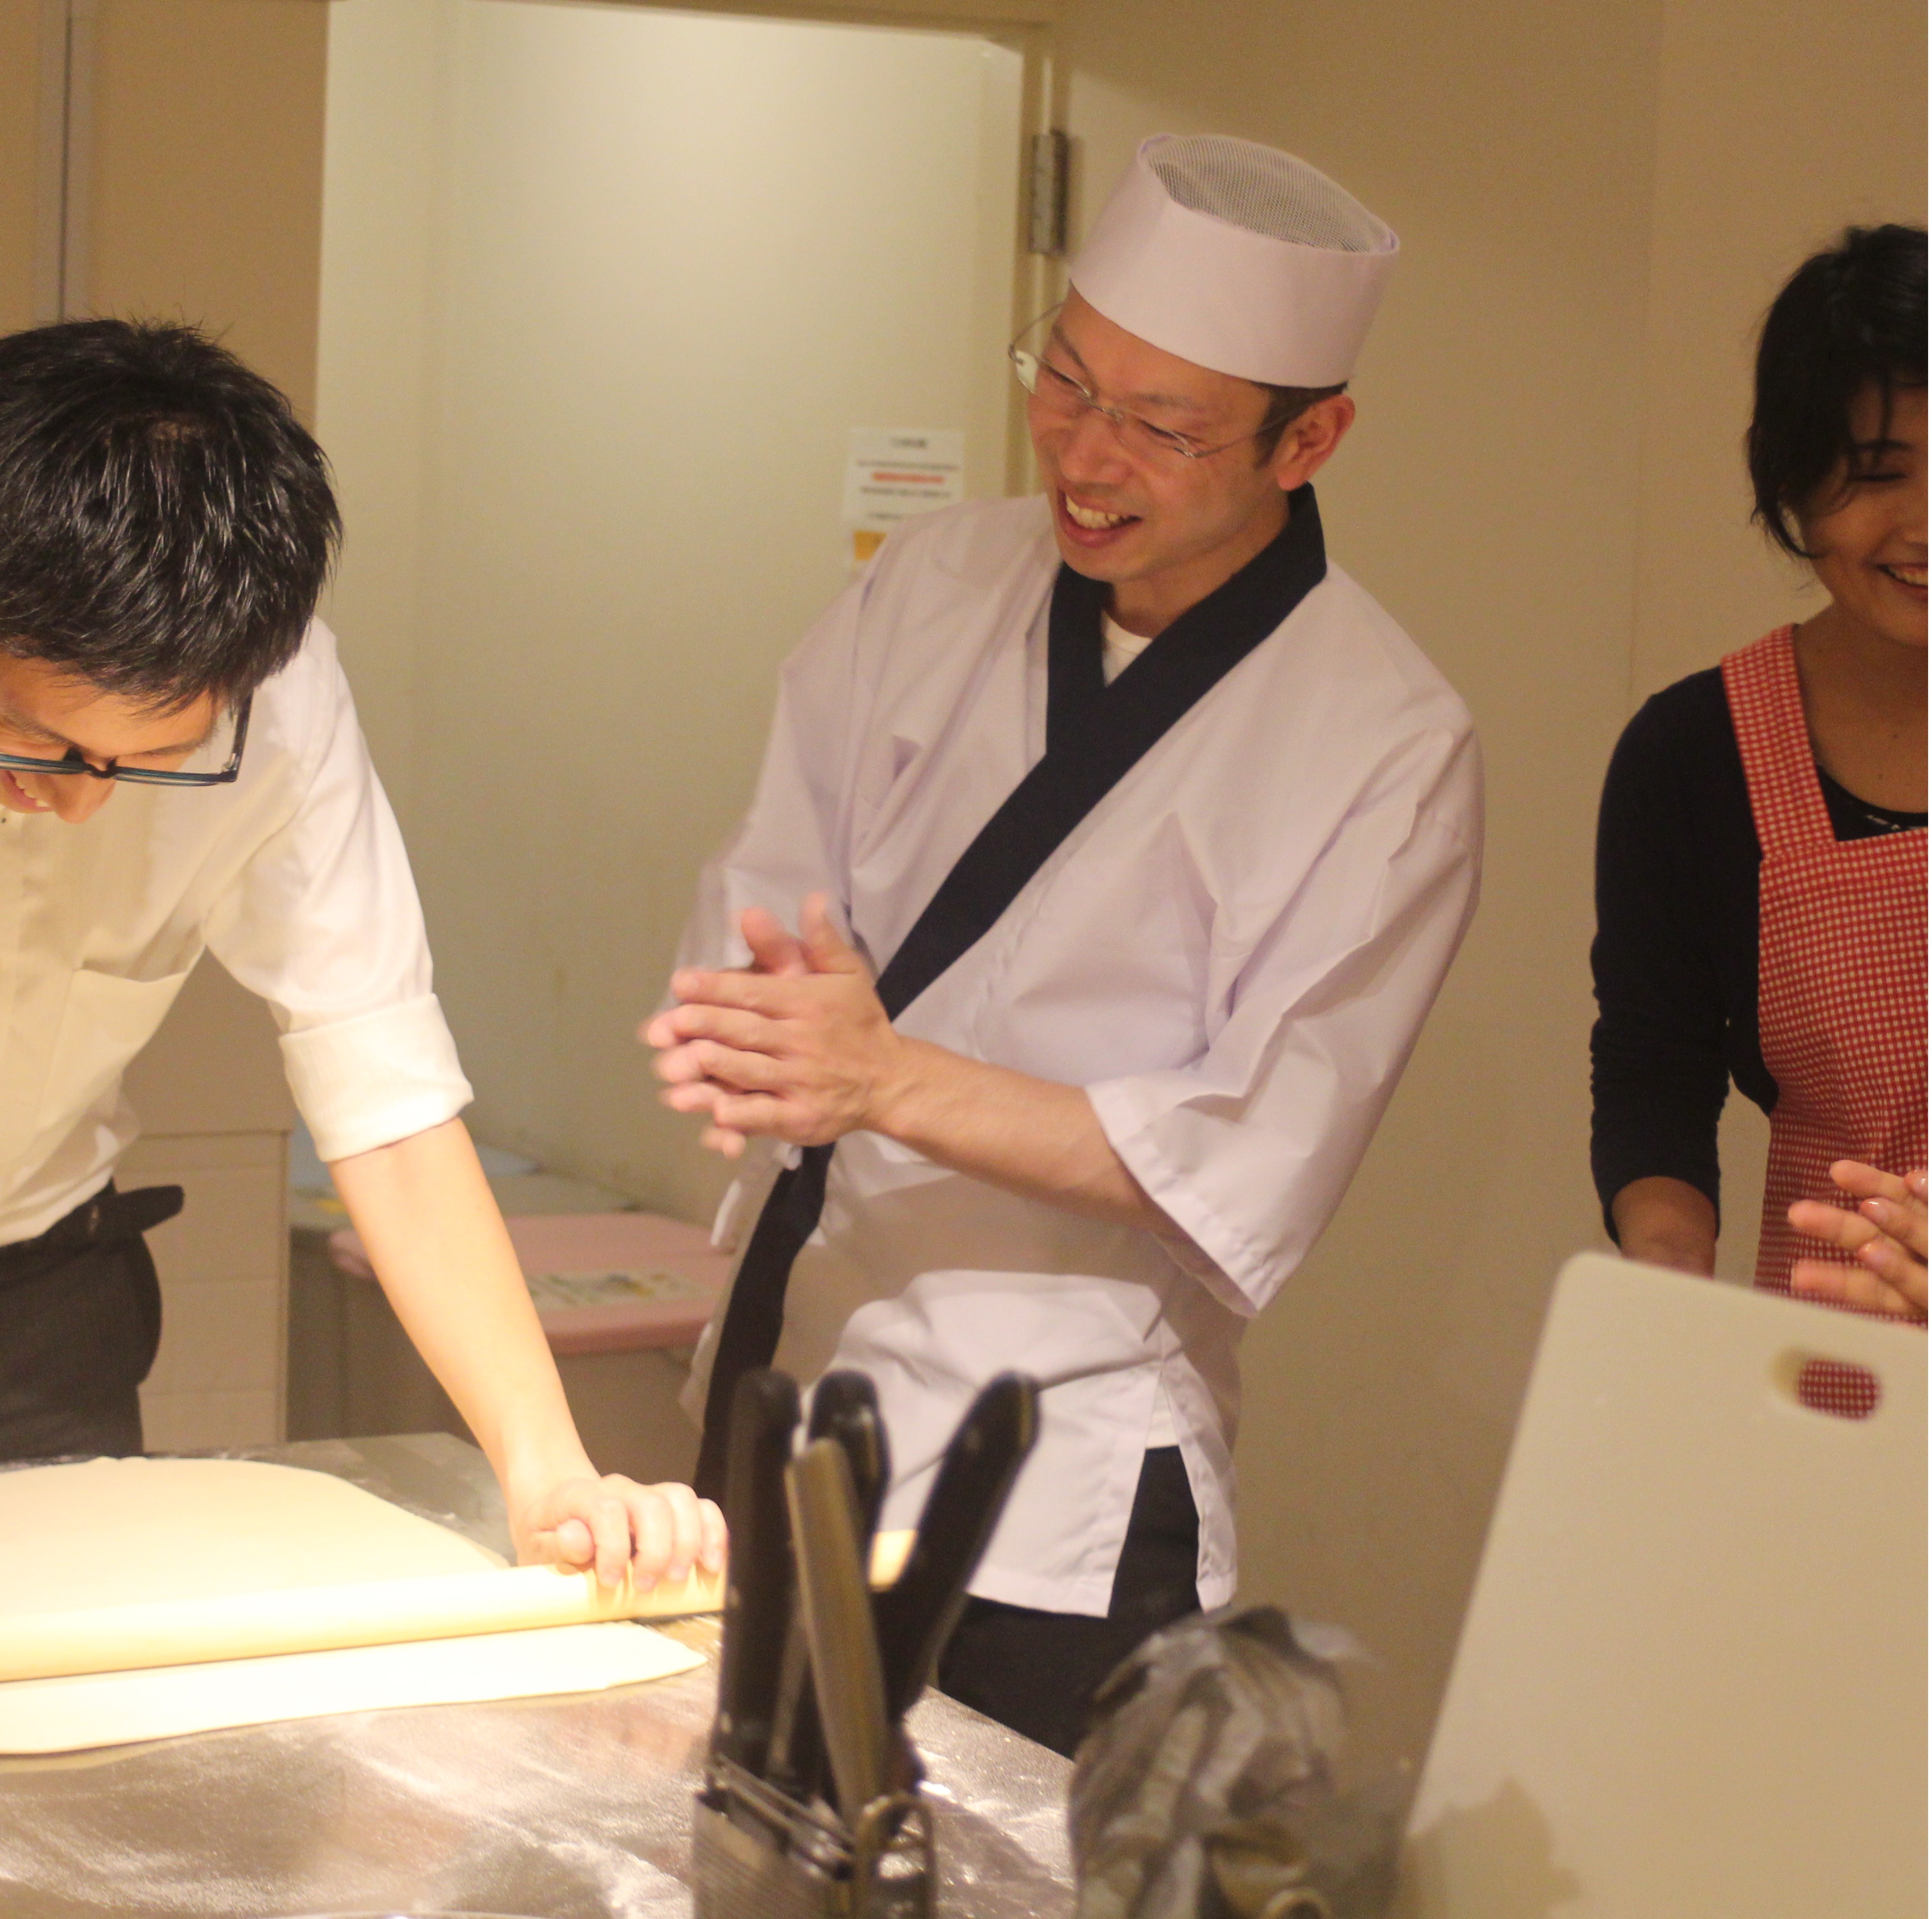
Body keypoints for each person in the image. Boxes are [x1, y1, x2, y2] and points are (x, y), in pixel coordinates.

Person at [646, 135, 1482, 1754]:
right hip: (788, 1376)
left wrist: (879, 1077)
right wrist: (760, 1026)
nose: (1087, 455)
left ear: (1310, 439)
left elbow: (1236, 1162)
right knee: (729, 1840)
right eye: (1069, 381)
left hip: (1056, 1482)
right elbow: (769, 883)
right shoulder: (934, 581)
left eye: (1163, 426)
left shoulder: (1386, 740)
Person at [0, 319, 723, 1587]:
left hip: (35, 1298)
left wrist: (549, 1469)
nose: (83, 800)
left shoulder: (278, 706)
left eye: (150, 759)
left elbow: (384, 1099)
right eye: (35, 743)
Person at [1591, 224, 1926, 1325]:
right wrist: (1667, 1272)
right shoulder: (1694, 756)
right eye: (1880, 473)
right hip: (1832, 1351)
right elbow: (1657, 1064)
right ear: (1789, 477)